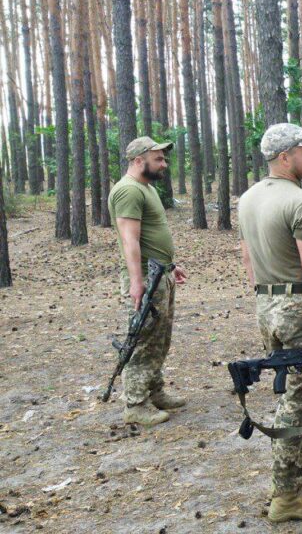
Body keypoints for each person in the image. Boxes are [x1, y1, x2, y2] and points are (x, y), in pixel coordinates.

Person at [238, 123, 302, 522]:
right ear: (285, 157)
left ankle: (294, 471)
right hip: (300, 310)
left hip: (267, 305)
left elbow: (248, 261)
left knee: (294, 395)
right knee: (301, 401)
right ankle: (286, 498)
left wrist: (267, 303)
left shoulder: (247, 199)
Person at [108, 136, 188, 427]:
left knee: (159, 339)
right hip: (145, 278)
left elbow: (153, 235)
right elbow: (130, 240)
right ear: (139, 160)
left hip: (160, 274)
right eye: (159, 159)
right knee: (143, 341)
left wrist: (171, 265)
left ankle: (155, 391)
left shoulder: (146, 188)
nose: (164, 164)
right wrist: (136, 280)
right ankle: (135, 403)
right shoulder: (128, 191)